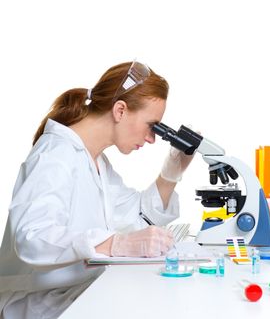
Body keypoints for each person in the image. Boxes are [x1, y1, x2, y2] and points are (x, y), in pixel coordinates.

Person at [0, 61, 194, 318]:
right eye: (152, 125)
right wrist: (116, 244)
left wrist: (172, 171)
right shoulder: (54, 155)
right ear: (120, 110)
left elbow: (138, 219)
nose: (151, 138)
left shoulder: (95, 160)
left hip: (75, 291)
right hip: (37, 302)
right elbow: (32, 238)